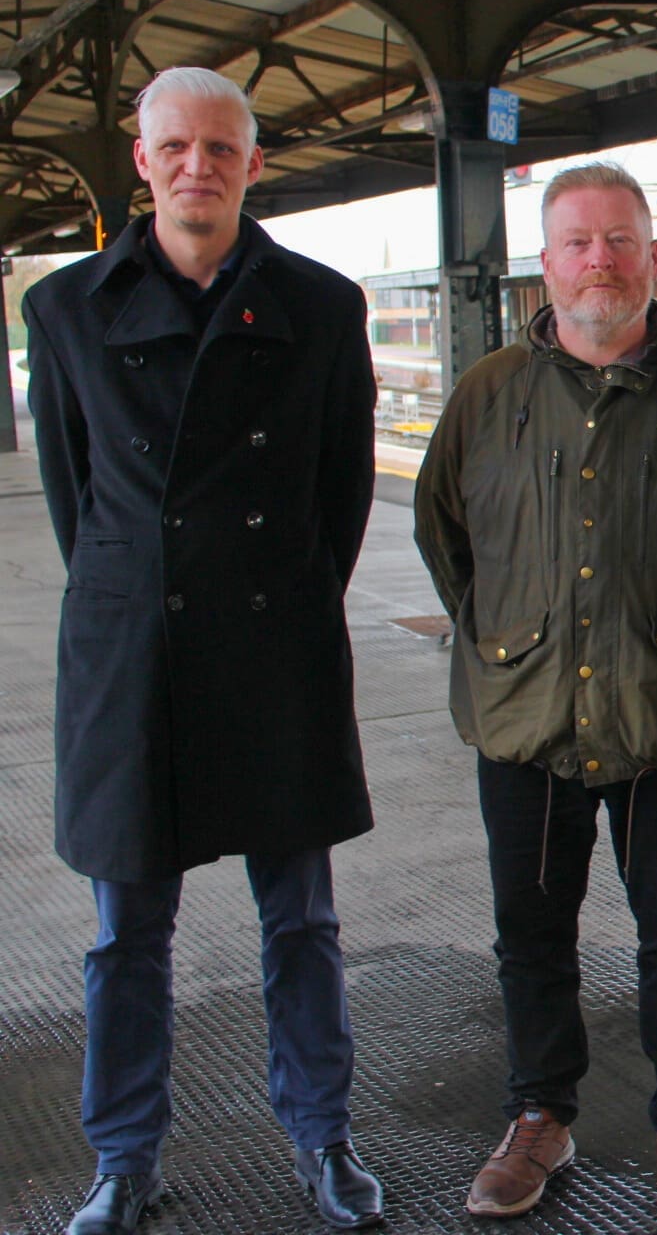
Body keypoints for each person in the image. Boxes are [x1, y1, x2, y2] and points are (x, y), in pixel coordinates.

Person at [24, 67, 383, 1234]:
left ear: (252, 163)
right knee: (128, 930)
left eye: (221, 149)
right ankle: (123, 1155)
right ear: (142, 159)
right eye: (175, 147)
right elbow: (79, 503)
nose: (198, 167)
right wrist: (145, 594)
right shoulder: (69, 308)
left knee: (304, 922)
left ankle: (323, 1137)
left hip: (275, 646)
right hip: (134, 658)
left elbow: (339, 492)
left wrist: (274, 598)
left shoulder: (323, 306)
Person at [414, 162, 657, 1219]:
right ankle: (540, 1112)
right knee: (530, 933)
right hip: (522, 720)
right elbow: (442, 526)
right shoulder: (489, 393)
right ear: (546, 263)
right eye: (578, 241)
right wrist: (502, 640)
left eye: (620, 239)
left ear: (653, 254)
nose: (600, 259)